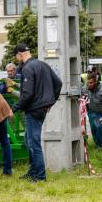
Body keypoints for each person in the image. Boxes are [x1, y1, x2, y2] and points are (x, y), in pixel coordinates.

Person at [11, 44, 62, 182]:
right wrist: (50, 102)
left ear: (20, 54)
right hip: (42, 108)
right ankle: (33, 171)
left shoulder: (27, 68)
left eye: (17, 57)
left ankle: (40, 176)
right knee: (28, 140)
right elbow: (58, 83)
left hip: (33, 110)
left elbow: (27, 94)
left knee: (34, 144)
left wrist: (14, 109)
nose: (17, 60)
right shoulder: (42, 64)